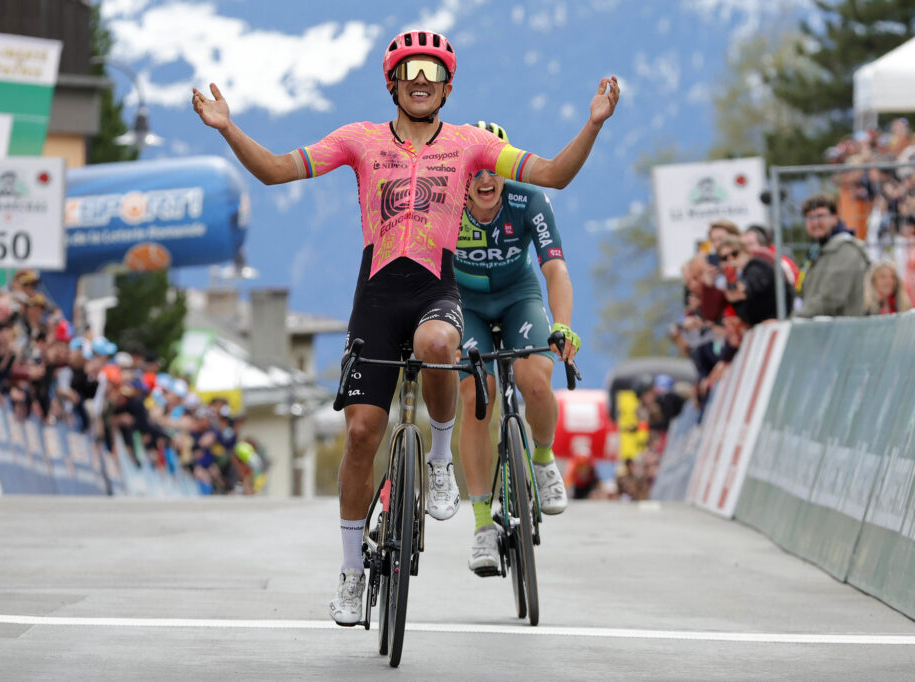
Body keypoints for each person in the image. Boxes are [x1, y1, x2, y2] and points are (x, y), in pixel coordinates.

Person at [192, 29, 619, 626]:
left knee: (439, 342)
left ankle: (440, 461)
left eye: (433, 74)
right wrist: (228, 128)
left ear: (447, 87)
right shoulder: (359, 140)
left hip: (435, 288)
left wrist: (593, 124)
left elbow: (551, 173)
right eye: (410, 74)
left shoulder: (471, 145)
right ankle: (349, 573)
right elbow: (277, 171)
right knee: (361, 433)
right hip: (375, 295)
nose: (421, 83)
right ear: (392, 84)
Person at [452, 121, 580, 576]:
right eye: (476, 169)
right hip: (464, 303)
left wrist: (562, 325)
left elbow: (555, 269)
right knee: (476, 396)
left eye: (496, 167)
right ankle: (482, 524)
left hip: (518, 297)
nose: (486, 178)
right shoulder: (445, 204)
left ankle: (542, 459)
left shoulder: (529, 200)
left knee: (535, 381)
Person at [795, 194, 869, 318]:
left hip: (845, 327)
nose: (815, 223)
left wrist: (795, 318)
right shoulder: (815, 253)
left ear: (835, 218)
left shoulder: (846, 250)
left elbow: (831, 298)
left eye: (820, 216)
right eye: (810, 218)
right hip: (823, 327)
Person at [718, 235, 793, 326]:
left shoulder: (757, 265)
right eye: (724, 258)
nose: (730, 259)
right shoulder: (738, 277)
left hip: (779, 321)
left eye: (734, 254)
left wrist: (744, 287)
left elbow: (755, 281)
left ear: (745, 251)